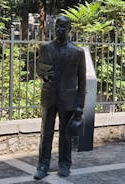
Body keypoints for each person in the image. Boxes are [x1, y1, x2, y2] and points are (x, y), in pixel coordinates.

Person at [34, 15, 86, 180]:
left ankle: (65, 165)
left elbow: (82, 81)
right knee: (46, 133)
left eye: (63, 26)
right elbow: (40, 72)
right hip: (49, 97)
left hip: (68, 99)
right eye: (57, 26)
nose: (59, 29)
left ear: (70, 29)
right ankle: (43, 165)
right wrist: (44, 75)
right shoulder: (45, 48)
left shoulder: (78, 52)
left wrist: (80, 105)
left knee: (66, 135)